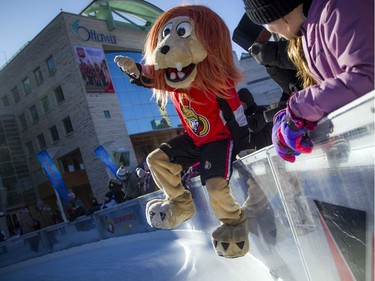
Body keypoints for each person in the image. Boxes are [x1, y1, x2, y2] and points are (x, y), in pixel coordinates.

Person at [114, 5, 251, 258]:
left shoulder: (217, 82)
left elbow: (235, 115)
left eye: (182, 33)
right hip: (195, 140)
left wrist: (244, 141)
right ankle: (180, 203)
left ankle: (234, 224)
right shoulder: (176, 82)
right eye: (165, 35)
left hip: (219, 140)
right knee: (156, 160)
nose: (167, 45)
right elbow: (154, 75)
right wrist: (136, 70)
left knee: (216, 187)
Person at [244, 0, 374, 162]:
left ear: (277, 13)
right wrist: (289, 115)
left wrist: (299, 110)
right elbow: (330, 89)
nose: (268, 29)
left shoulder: (341, 8)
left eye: (265, 22)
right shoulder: (311, 29)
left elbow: (368, 78)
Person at [238, 88, 273, 153]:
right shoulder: (247, 116)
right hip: (257, 153)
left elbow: (255, 126)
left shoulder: (261, 111)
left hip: (269, 150)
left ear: (245, 102)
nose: (239, 106)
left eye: (239, 103)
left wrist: (239, 113)